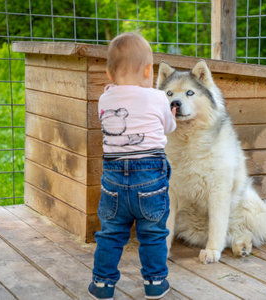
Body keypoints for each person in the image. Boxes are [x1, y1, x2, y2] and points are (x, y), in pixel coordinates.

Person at [88, 32, 176, 300]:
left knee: (112, 233)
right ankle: (155, 284)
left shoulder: (105, 99)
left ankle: (102, 285)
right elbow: (167, 128)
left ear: (109, 75)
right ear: (148, 70)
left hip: (114, 180)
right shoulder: (158, 97)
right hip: (149, 176)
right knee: (152, 233)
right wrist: (170, 115)